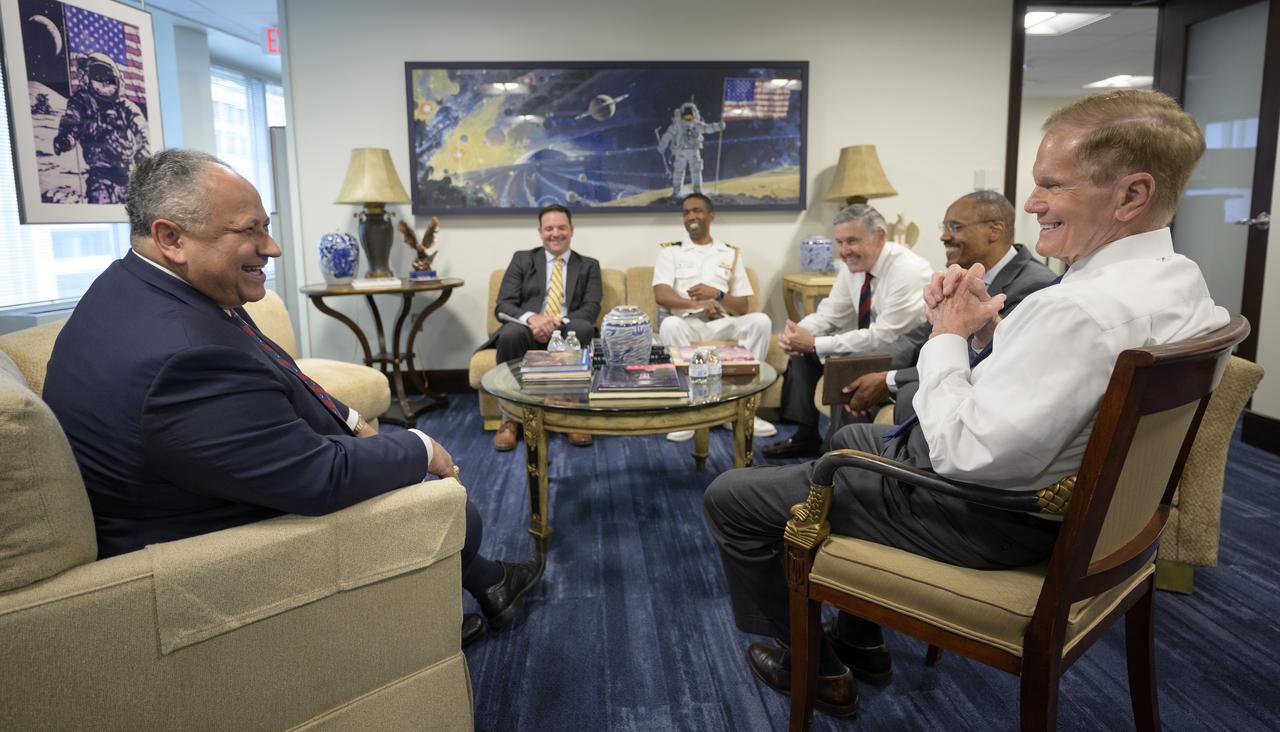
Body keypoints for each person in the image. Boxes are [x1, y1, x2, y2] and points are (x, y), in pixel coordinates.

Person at [703, 89, 1228, 718]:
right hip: (1082, 515)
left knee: (733, 497)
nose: (1030, 204)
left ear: (1132, 195)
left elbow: (962, 455)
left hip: (993, 517)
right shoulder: (1183, 284)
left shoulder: (1077, 310)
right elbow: (1058, 390)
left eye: (1050, 186)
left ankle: (813, 666)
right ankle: (858, 636)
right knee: (848, 443)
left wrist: (949, 335)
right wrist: (987, 334)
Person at [43, 149, 541, 649]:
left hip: (209, 482)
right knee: (454, 510)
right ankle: (426, 621)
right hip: (198, 550)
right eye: (250, 231)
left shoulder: (145, 289)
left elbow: (275, 370)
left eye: (267, 227)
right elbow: (317, 476)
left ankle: (480, 588)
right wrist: (419, 448)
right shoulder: (183, 356)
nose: (273, 247)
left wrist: (349, 421)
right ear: (171, 237)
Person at [837, 191, 1057, 429]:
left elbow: (982, 359)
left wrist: (889, 379)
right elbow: (922, 334)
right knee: (849, 372)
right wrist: (868, 363)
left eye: (954, 227)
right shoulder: (965, 273)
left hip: (979, 387)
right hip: (940, 369)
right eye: (944, 226)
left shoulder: (1033, 284)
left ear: (995, 230)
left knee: (909, 393)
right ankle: (837, 462)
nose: (943, 236)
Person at [764, 203, 933, 458]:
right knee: (803, 354)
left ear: (880, 236)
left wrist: (815, 343)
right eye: (840, 242)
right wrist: (798, 332)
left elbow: (884, 337)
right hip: (878, 348)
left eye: (851, 241)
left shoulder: (908, 270)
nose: (844, 251)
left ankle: (840, 455)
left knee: (844, 365)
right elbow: (831, 312)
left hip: (906, 355)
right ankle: (806, 434)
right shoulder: (852, 267)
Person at [653, 193, 776, 441]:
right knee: (669, 324)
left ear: (711, 216)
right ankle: (687, 413)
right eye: (686, 212)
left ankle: (743, 408)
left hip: (722, 322)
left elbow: (742, 306)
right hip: (687, 324)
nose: (691, 216)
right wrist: (698, 303)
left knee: (761, 321)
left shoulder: (730, 254)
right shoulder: (671, 253)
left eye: (697, 210)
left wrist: (717, 294)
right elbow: (662, 295)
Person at [482, 203, 602, 450]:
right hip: (527, 329)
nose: (555, 233)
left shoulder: (589, 265)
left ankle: (572, 414)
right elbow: (503, 305)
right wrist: (532, 319)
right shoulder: (523, 259)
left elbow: (592, 307)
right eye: (549, 228)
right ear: (540, 232)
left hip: (567, 327)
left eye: (561, 227)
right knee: (510, 333)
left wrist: (556, 322)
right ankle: (511, 418)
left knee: (583, 328)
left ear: (571, 230)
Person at [52, 53, 149, 204]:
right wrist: (66, 138)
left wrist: (143, 151)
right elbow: (72, 121)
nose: (104, 83)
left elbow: (141, 129)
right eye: (98, 76)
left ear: (117, 81)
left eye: (108, 79)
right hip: (100, 173)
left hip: (126, 173)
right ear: (88, 78)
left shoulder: (124, 106)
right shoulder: (82, 102)